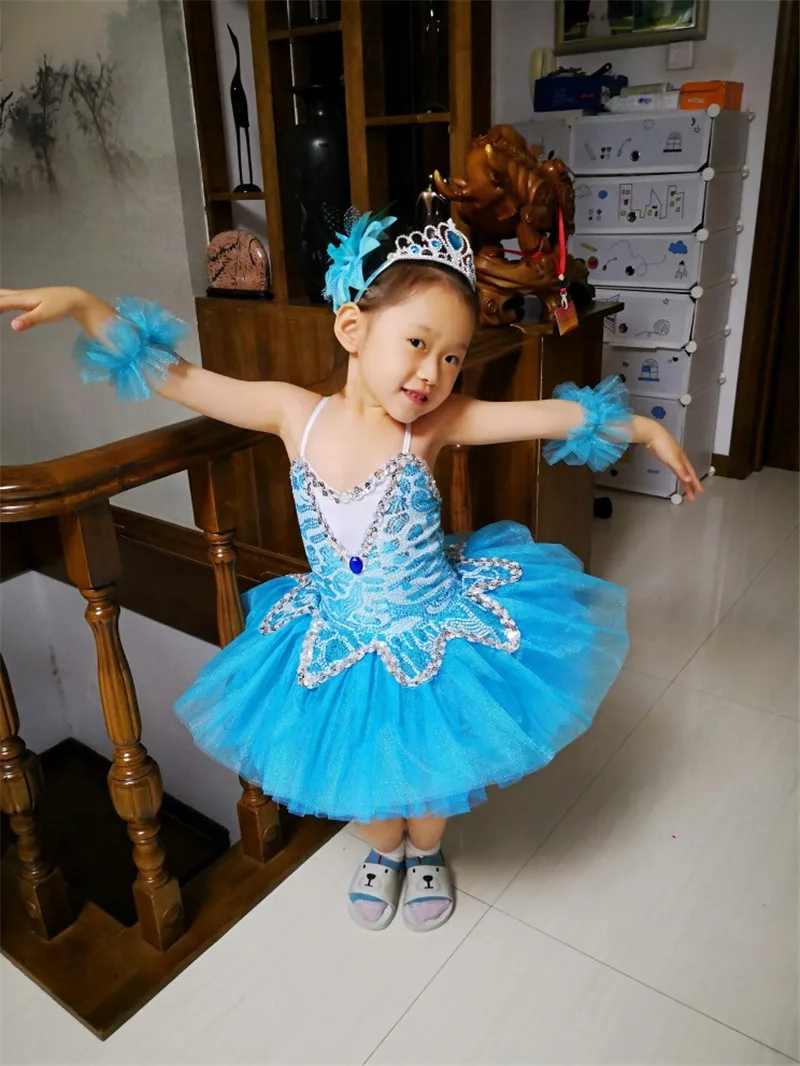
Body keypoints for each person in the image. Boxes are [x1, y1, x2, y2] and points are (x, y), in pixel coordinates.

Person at [0, 212, 702, 934]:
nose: (432, 373)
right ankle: (385, 850)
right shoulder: (292, 414)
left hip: (431, 627)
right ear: (352, 329)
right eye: (418, 343)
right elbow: (179, 378)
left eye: (453, 357)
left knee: (431, 774)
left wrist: (645, 428)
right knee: (365, 777)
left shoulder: (435, 425)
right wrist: (83, 305)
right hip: (338, 631)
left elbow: (547, 416)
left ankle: (425, 852)